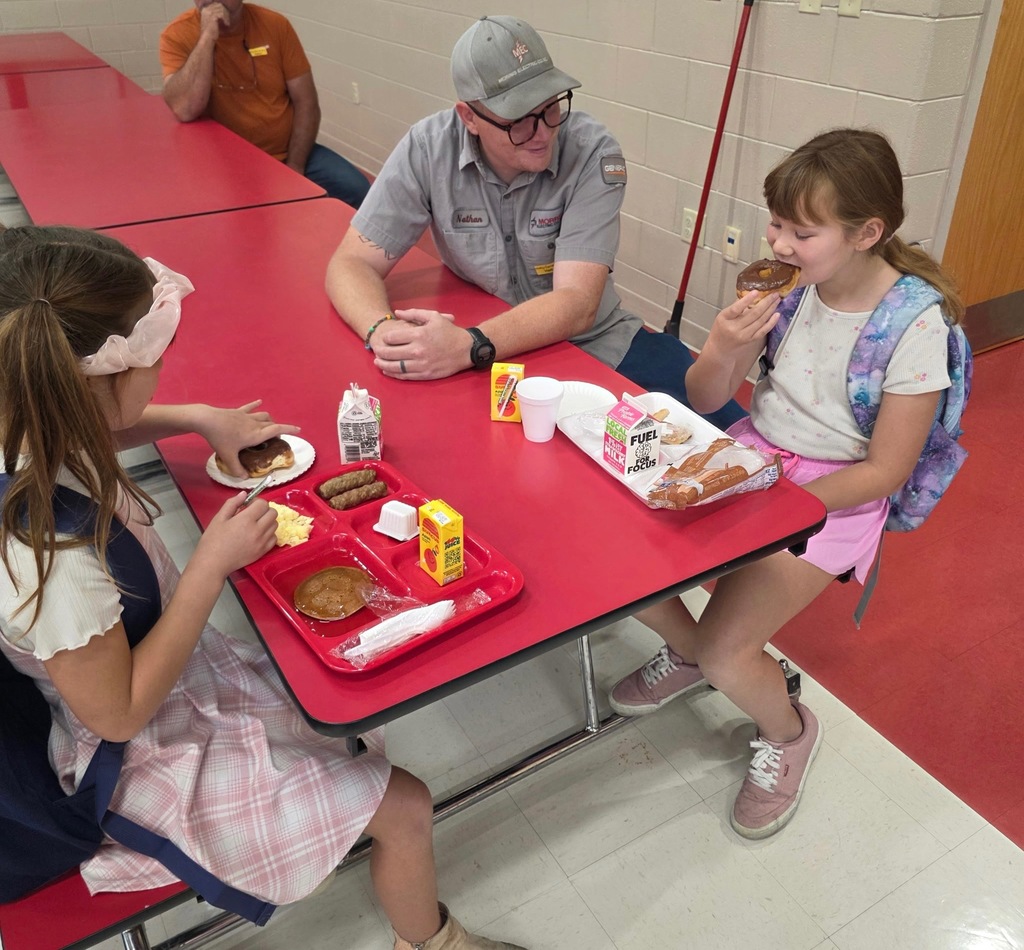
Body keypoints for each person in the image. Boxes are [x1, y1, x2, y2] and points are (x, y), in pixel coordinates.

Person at [0, 226, 525, 950]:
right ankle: (432, 942)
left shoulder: (22, 418)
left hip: (152, 675)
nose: (165, 373)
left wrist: (194, 417)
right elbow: (117, 714)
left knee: (323, 705)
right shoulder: (47, 555)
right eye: (157, 363)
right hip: (123, 751)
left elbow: (89, 424)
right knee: (405, 807)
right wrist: (210, 564)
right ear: (100, 382)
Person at [607, 128, 964, 839]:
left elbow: (885, 471)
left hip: (836, 496)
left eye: (803, 231)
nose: (779, 244)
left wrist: (779, 500)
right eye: (776, 222)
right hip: (756, 458)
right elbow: (707, 396)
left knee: (727, 652)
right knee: (620, 562)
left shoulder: (914, 326)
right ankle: (689, 651)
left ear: (868, 231)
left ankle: (787, 730)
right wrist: (724, 347)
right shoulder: (789, 293)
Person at [325, 15, 745, 432]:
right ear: (469, 117)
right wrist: (380, 330)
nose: (542, 132)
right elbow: (351, 263)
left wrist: (470, 345)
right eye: (519, 120)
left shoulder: (591, 151)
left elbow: (578, 303)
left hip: (591, 342)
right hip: (483, 351)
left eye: (549, 108)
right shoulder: (427, 148)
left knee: (735, 442)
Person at [159, 0, 370, 209]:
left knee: (357, 190)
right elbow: (185, 109)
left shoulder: (275, 25)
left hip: (288, 152)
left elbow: (306, 102)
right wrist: (207, 38)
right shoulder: (177, 34)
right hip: (224, 166)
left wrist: (295, 167)